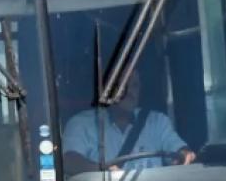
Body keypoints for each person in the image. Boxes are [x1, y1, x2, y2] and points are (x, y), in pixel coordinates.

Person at [62, 69, 195, 173]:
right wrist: (103, 172)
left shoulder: (157, 122)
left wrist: (184, 154)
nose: (131, 92)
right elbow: (69, 162)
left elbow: (179, 150)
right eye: (124, 85)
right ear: (109, 88)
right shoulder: (81, 124)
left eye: (135, 86)